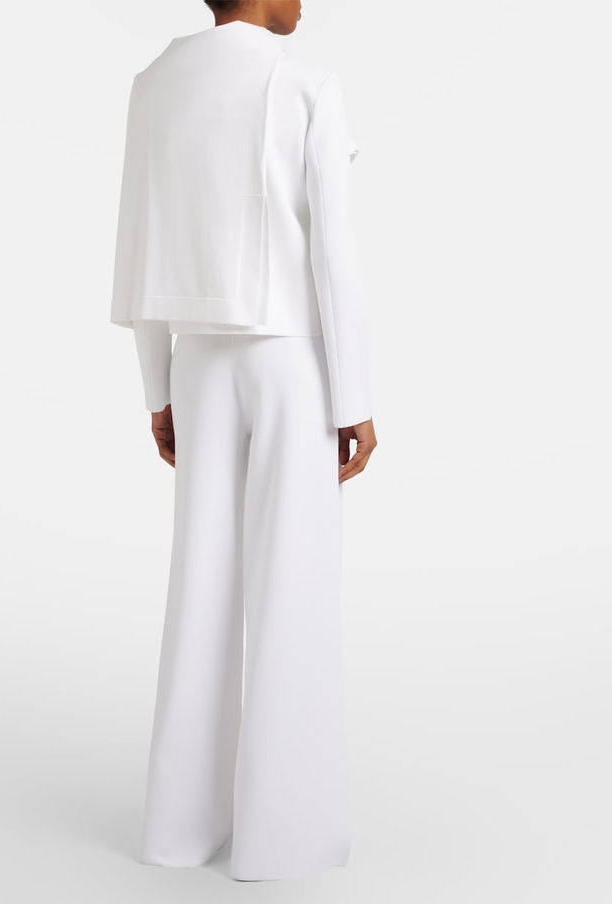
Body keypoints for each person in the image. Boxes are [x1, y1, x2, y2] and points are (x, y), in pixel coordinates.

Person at [110, 0, 378, 882]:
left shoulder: (155, 84)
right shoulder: (305, 83)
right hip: (290, 361)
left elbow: (140, 238)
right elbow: (333, 253)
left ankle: (179, 830)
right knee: (293, 585)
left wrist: (157, 386)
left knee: (201, 585)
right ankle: (285, 841)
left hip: (196, 361)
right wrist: (354, 395)